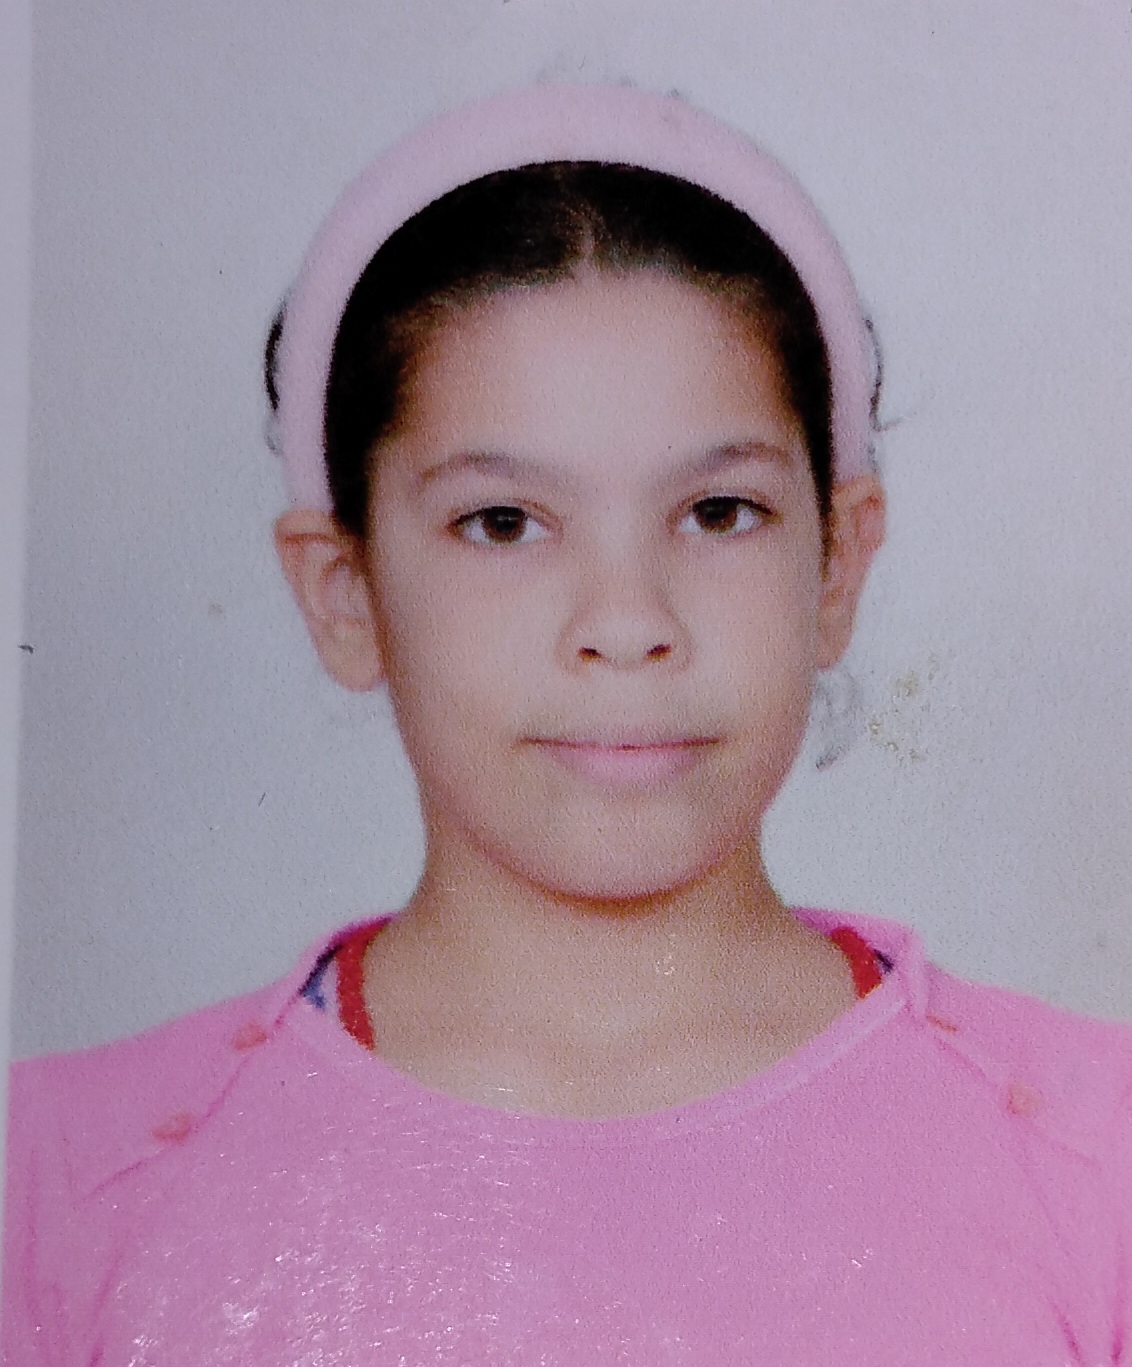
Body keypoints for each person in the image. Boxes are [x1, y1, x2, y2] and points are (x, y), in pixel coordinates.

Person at [4, 83, 1130, 1365]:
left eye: (718, 512)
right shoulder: (56, 1185)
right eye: (502, 523)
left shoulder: (1098, 1159)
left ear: (836, 566)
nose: (626, 621)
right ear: (344, 590)